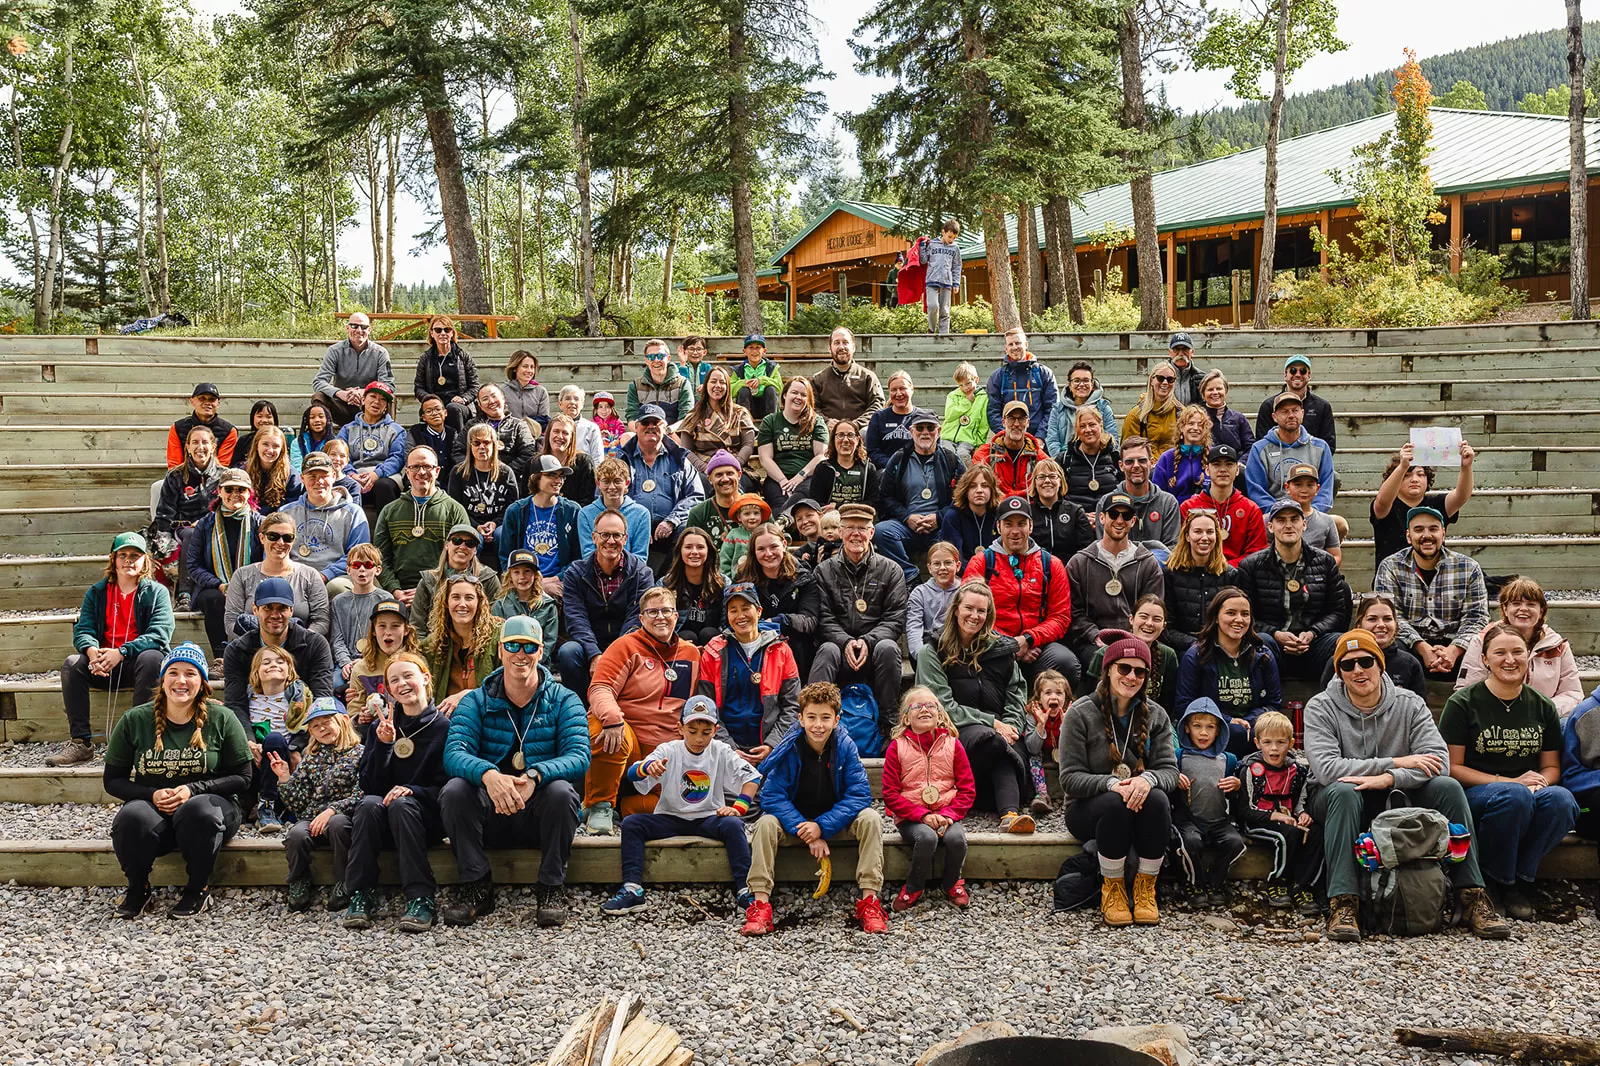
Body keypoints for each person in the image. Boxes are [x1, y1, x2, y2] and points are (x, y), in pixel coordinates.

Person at [1305, 628, 1509, 942]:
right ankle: (1344, 903)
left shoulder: (1409, 703)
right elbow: (1328, 769)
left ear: (1380, 663)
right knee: (1345, 792)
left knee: (1448, 787)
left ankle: (1472, 895)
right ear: (1339, 672)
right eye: (1348, 665)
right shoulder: (1320, 707)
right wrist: (1397, 763)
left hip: (1398, 790)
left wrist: (1390, 779)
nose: (1358, 670)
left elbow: (1439, 759)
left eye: (1366, 661)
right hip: (1338, 796)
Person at [439, 616, 589, 928]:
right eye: (512, 646)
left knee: (562, 792)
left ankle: (550, 887)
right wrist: (488, 775)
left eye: (528, 647)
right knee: (454, 790)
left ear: (540, 652)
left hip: (537, 812)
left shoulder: (564, 700)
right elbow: (454, 754)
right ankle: (476, 884)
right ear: (500, 651)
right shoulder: (476, 701)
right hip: (490, 811)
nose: (520, 653)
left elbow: (578, 756)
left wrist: (536, 776)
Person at [1440, 622, 1578, 920]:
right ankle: (1493, 881)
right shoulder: (1463, 703)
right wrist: (1509, 782)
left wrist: (1538, 785)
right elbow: (1452, 768)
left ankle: (1521, 880)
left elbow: (1552, 767)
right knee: (1513, 796)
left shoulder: (1542, 706)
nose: (1510, 659)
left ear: (1528, 656)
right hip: (1477, 793)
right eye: (1499, 652)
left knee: (1562, 800)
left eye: (1517, 652)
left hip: (1525, 792)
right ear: (1485, 659)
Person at [104, 643, 252, 919]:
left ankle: (198, 888)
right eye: (173, 672)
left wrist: (193, 789)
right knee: (130, 817)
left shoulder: (222, 718)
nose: (181, 681)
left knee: (197, 810)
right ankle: (138, 887)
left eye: (190, 674)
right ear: (162, 679)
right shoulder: (135, 719)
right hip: (157, 811)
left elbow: (243, 778)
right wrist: (151, 795)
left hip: (211, 813)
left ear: (203, 683)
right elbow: (113, 780)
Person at [740, 682, 887, 935]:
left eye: (825, 718)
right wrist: (804, 829)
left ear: (837, 719)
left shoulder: (845, 747)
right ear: (800, 718)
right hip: (795, 823)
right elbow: (772, 796)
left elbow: (859, 794)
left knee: (871, 818)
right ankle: (760, 903)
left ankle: (870, 900)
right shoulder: (790, 749)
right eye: (811, 717)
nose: (818, 725)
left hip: (834, 822)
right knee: (764, 824)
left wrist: (821, 826)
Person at [1057, 632, 1177, 928]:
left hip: (1136, 803)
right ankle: (1113, 889)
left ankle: (1145, 887)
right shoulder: (1080, 714)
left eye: (1139, 671)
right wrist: (1111, 784)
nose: (1131, 676)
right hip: (1088, 809)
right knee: (1114, 802)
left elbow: (1170, 771)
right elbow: (1069, 778)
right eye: (1124, 668)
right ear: (1108, 669)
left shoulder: (1157, 715)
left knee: (1159, 798)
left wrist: (1147, 779)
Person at [603, 695, 762, 916]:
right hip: (671, 817)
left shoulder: (721, 750)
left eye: (706, 733)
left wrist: (739, 808)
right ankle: (632, 889)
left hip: (708, 816)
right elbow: (632, 772)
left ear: (715, 730)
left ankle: (745, 889)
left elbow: (752, 778)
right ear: (680, 728)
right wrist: (647, 768)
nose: (699, 738)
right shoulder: (669, 750)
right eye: (693, 731)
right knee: (632, 824)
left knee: (734, 825)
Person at [914, 580, 1037, 832]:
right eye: (969, 608)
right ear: (956, 609)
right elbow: (941, 706)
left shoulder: (1000, 649)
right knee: (991, 739)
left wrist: (1012, 724)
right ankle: (1007, 811)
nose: (975, 616)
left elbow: (1017, 691)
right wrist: (993, 723)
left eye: (982, 611)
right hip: (955, 729)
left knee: (1002, 744)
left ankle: (1010, 815)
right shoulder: (933, 651)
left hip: (1001, 734)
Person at [342, 652, 451, 933]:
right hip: (385, 816)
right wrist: (384, 746)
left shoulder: (444, 727)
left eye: (408, 676)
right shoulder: (382, 726)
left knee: (403, 805)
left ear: (425, 679)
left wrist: (412, 791)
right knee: (367, 805)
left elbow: (446, 786)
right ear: (388, 690)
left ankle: (420, 897)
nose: (402, 684)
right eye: (394, 680)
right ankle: (361, 892)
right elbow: (370, 785)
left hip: (424, 817)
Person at [49, 532, 174, 768]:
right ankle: (81, 743)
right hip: (103, 665)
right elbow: (83, 629)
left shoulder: (157, 592)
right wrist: (93, 652)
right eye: (123, 555)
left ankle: (141, 742)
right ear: (113, 559)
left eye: (135, 555)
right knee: (72, 663)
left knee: (153, 658)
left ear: (145, 560)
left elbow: (159, 634)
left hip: (137, 663)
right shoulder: (96, 592)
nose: (128, 560)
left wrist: (122, 652)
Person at [582, 586, 700, 834]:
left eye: (666, 611)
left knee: (679, 808)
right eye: (653, 612)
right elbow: (600, 688)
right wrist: (612, 718)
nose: (660, 617)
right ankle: (599, 804)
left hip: (667, 748)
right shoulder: (626, 646)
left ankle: (626, 806)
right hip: (631, 738)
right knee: (605, 728)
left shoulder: (691, 654)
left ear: (676, 616)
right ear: (642, 618)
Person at [963, 494, 1079, 686]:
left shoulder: (1051, 564)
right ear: (998, 527)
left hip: (1037, 646)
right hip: (992, 643)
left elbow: (1060, 617)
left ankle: (1051, 713)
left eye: (1021, 524)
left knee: (1065, 662)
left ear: (1031, 526)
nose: (1015, 531)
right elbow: (969, 613)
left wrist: (1028, 639)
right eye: (1008, 524)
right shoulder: (982, 563)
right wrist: (1009, 644)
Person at [810, 504, 908, 725]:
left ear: (871, 533)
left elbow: (894, 618)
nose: (856, 534)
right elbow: (823, 618)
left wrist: (867, 642)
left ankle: (888, 723)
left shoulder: (891, 570)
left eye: (862, 528)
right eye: (850, 527)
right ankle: (815, 719)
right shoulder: (824, 571)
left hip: (875, 653)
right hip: (838, 650)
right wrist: (845, 642)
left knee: (889, 648)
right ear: (841, 532)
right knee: (827, 649)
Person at [1235, 499, 1351, 680]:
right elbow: (1247, 616)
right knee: (1259, 642)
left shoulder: (1325, 562)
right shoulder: (1251, 566)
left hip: (1314, 642)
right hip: (1273, 644)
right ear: (1270, 527)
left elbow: (1337, 612)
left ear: (1304, 524)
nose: (1288, 525)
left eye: (1294, 519)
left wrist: (1313, 632)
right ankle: (1266, 702)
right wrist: (1276, 633)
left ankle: (1330, 703)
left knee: (1343, 643)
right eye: (1281, 520)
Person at [884, 687, 976, 911]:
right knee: (926, 838)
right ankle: (915, 885)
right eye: (917, 706)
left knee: (956, 840)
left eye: (930, 706)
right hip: (912, 817)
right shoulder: (897, 747)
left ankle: (952, 881)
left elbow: (967, 789)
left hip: (946, 814)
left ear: (940, 713)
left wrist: (948, 815)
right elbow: (889, 793)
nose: (924, 709)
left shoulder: (953, 744)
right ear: (906, 717)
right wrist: (922, 815)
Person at [1373, 505, 1489, 681]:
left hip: (1457, 647)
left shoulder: (1468, 567)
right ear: (1408, 536)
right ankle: (1403, 704)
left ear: (1443, 533)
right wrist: (1423, 647)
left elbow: (1477, 617)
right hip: (1411, 645)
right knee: (1387, 645)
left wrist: (1454, 649)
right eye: (1418, 530)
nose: (1426, 535)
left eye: (1433, 529)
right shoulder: (1390, 566)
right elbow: (1391, 617)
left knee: (1491, 645)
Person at [697, 582, 801, 766]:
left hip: (770, 749)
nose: (740, 616)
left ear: (759, 611)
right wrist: (728, 747)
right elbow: (706, 706)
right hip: (724, 750)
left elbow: (792, 706)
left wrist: (772, 745)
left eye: (746, 608)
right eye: (733, 610)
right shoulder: (713, 651)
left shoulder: (781, 650)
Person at [275, 697, 362, 912]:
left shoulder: (360, 754)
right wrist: (285, 778)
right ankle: (299, 880)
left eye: (326, 722)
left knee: (339, 825)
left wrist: (332, 810)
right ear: (311, 733)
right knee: (296, 835)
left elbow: (363, 792)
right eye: (315, 726)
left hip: (343, 815)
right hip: (312, 818)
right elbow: (298, 802)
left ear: (342, 721)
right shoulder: (310, 759)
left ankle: (344, 880)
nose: (322, 729)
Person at [557, 509, 656, 694]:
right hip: (588, 646)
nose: (611, 541)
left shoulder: (642, 574)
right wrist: (594, 654)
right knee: (568, 652)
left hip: (627, 646)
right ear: (594, 537)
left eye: (616, 535)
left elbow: (636, 620)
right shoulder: (575, 574)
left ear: (625, 539)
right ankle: (581, 707)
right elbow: (576, 618)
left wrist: (613, 657)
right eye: (604, 535)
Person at [1175, 587, 1282, 756]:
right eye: (1231, 613)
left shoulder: (1263, 655)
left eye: (1245, 614)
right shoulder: (1195, 655)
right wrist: (1227, 720)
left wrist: (1248, 721)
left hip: (1252, 727)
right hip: (1211, 728)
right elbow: (1184, 705)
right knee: (1237, 732)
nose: (1239, 619)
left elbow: (1273, 703)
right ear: (1216, 617)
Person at [1234, 710, 1321, 915]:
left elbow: (1299, 800)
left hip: (1287, 818)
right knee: (1287, 835)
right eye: (1268, 742)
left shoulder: (1297, 771)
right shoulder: (1251, 770)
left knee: (1315, 832)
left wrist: (1302, 814)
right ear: (1257, 743)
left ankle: (1303, 884)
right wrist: (1276, 816)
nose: (1274, 748)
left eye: (1281, 742)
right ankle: (1278, 881)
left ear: (1290, 744)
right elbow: (1245, 809)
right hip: (1257, 820)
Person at [1457, 578, 1582, 718]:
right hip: (1493, 720)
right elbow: (1466, 691)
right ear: (1505, 608)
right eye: (1516, 603)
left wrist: (1541, 709)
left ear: (1541, 611)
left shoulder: (1558, 645)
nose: (1523, 608)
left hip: (1543, 720)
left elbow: (1573, 693)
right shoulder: (1482, 641)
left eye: (1531, 604)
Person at [1066, 492, 1165, 666]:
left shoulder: (1148, 563)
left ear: (1133, 521)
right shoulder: (1079, 563)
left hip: (1139, 639)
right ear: (1102, 518)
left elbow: (1154, 609)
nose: (1119, 521)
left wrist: (1135, 639)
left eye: (1126, 516)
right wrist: (1095, 635)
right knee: (1104, 659)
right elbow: (1074, 612)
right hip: (1092, 641)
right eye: (1113, 514)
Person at [222, 579, 337, 727]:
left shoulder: (315, 644)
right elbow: (235, 703)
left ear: (291, 610)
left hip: (306, 728)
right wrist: (249, 742)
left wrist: (297, 746)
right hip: (253, 727)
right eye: (268, 608)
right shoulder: (237, 650)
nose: (275, 615)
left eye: (282, 608)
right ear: (255, 609)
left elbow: (321, 698)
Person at [372, 447, 471, 608]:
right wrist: (395, 590)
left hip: (442, 593)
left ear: (437, 471)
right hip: (399, 594)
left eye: (427, 467)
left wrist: (432, 589)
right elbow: (380, 558)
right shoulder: (390, 511)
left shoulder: (455, 510)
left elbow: (465, 558)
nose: (422, 472)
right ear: (407, 472)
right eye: (415, 467)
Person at [875, 410, 964, 583]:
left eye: (930, 428)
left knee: (956, 529)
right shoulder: (899, 459)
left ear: (938, 432)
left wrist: (938, 517)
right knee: (880, 531)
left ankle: (947, 580)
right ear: (911, 432)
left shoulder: (951, 459)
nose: (925, 432)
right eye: (920, 428)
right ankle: (910, 575)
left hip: (940, 528)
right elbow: (885, 496)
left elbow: (962, 498)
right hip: (907, 526)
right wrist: (907, 517)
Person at [1171, 698, 1244, 907]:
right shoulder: (1179, 756)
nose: (1203, 733)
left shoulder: (1228, 759)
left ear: (1219, 730)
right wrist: (1174, 778)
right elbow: (1166, 779)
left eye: (1210, 727)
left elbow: (1238, 791)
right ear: (1186, 727)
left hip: (1219, 820)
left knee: (1236, 844)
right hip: (1188, 820)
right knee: (1190, 843)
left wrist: (1237, 784)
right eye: (1197, 726)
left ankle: (1214, 881)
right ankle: (1193, 883)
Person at [219, 510, 330, 645]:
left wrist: (297, 639)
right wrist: (263, 640)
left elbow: (322, 621)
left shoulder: (310, 575)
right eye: (273, 536)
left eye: (287, 537)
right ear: (262, 538)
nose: (280, 542)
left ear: (294, 540)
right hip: (253, 649)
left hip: (298, 648)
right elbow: (231, 622)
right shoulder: (242, 575)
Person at [184, 469, 262, 656]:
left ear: (249, 493)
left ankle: (252, 654)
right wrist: (219, 585)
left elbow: (267, 560)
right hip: (215, 586)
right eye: (229, 490)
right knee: (213, 599)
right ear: (219, 491)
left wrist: (247, 585)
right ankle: (221, 656)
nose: (235, 494)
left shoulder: (260, 523)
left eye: (241, 490)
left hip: (253, 584)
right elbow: (193, 565)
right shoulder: (205, 524)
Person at [620, 403, 705, 570]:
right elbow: (609, 495)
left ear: (665, 428)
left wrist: (672, 521)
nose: (650, 427)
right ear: (636, 427)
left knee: (689, 531)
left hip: (671, 524)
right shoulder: (622, 459)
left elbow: (696, 496)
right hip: (632, 523)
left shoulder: (679, 459)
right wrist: (637, 520)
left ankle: (665, 581)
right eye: (645, 423)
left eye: (656, 423)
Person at [1370, 441, 1476, 567]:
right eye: (1407, 475)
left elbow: (1461, 496)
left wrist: (1466, 467)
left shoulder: (1437, 503)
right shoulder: (1388, 505)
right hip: (1393, 578)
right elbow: (1381, 502)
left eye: (1420, 474)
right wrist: (1402, 467)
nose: (1414, 479)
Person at [280, 452, 371, 598]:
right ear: (302, 479)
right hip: (293, 574)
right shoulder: (286, 513)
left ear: (334, 476)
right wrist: (294, 575)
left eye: (324, 476)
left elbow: (358, 554)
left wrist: (325, 575)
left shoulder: (353, 513)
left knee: (336, 588)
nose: (319, 482)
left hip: (337, 577)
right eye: (312, 477)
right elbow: (274, 550)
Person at [153, 423, 224, 608]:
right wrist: (163, 540)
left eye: (205, 442)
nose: (201, 447)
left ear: (213, 446)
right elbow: (164, 512)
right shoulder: (175, 476)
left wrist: (206, 521)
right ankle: (183, 593)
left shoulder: (225, 476)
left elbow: (229, 506)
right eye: (195, 442)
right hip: (183, 528)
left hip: (216, 525)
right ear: (188, 446)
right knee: (192, 534)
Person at [738, 523, 821, 676]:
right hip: (755, 638)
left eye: (773, 547)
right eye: (761, 549)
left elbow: (810, 620)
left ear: (784, 545)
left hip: (794, 642)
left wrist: (779, 622)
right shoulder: (743, 579)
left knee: (795, 642)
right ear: (754, 552)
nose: (768, 553)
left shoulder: (803, 576)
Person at [497, 455, 580, 598]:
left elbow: (577, 558)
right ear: (535, 478)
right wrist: (518, 579)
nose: (558, 480)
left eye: (561, 476)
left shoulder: (571, 511)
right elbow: (506, 555)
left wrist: (555, 579)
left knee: (550, 592)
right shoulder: (516, 511)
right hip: (522, 579)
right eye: (551, 475)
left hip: (557, 580)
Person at [1319, 592, 1426, 699]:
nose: (1381, 625)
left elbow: (1419, 707)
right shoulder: (1339, 661)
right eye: (1372, 619)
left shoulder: (1409, 663)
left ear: (1396, 624)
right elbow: (1325, 704)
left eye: (1387, 619)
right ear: (1359, 625)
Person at [421, 572, 500, 717]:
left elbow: (508, 684)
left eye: (469, 598)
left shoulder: (498, 636)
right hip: (446, 720)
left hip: (489, 718)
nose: (462, 604)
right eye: (456, 597)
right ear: (446, 602)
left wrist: (469, 695)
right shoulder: (431, 645)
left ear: (479, 602)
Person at [1163, 509, 1239, 654]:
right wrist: (1195, 644)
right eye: (1198, 531)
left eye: (1210, 532)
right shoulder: (1170, 573)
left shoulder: (1230, 574)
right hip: (1182, 648)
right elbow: (1168, 626)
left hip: (1220, 647)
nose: (1205, 537)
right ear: (1187, 536)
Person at [1244, 393, 1334, 513]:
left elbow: (1325, 491)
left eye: (1295, 410)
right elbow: (1257, 492)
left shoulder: (1321, 447)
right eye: (1284, 412)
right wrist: (1279, 512)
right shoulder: (1259, 449)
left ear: (1302, 413)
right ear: (1274, 417)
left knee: (1341, 525)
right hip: (1274, 514)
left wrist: (1311, 513)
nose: (1291, 415)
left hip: (1310, 512)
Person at [410, 526, 501, 645]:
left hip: (479, 646)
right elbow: (416, 627)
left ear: (475, 550)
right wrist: (427, 654)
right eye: (457, 540)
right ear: (447, 545)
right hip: (436, 647)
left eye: (470, 543)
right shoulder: (429, 580)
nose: (462, 547)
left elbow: (497, 622)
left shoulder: (488, 578)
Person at [446, 423, 522, 566]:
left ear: (494, 445)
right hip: (469, 522)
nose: (481, 447)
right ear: (470, 446)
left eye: (486, 442)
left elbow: (512, 507)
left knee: (501, 534)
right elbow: (456, 507)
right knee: (472, 537)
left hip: (499, 524)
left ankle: (507, 577)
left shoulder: (506, 472)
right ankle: (469, 578)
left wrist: (495, 523)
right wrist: (476, 526)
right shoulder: (458, 472)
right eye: (476, 443)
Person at [1179, 445, 1265, 567]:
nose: (1223, 469)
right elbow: (1181, 549)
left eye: (1229, 464)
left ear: (1237, 470)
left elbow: (1256, 553)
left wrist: (1225, 568)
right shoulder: (1188, 508)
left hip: (1237, 576)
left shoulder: (1251, 509)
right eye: (1216, 464)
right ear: (1207, 470)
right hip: (1197, 573)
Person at [756, 379, 827, 516]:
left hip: (808, 477)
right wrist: (783, 481)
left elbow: (821, 455)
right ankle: (783, 530)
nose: (798, 397)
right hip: (777, 478)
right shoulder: (770, 421)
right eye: (794, 392)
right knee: (778, 502)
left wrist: (800, 476)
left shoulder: (816, 421)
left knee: (801, 498)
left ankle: (779, 525)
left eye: (803, 395)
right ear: (784, 395)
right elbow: (765, 458)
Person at [1103, 435, 1179, 559]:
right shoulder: (1106, 503)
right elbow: (1106, 550)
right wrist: (1154, 548)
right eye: (1129, 461)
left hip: (1159, 573)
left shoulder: (1168, 503)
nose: (1136, 466)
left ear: (1152, 462)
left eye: (1142, 460)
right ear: (1121, 466)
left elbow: (1171, 551)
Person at [676, 367, 758, 478]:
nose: (718, 386)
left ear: (727, 387)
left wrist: (734, 465)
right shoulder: (693, 416)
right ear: (706, 385)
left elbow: (748, 445)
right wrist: (705, 468)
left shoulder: (740, 413)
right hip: (704, 470)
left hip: (735, 467)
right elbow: (686, 451)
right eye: (713, 381)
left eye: (722, 382)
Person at [313, 314, 394, 427]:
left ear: (369, 330)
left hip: (370, 405)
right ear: (347, 328)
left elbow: (388, 385)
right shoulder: (334, 351)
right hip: (341, 405)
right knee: (318, 397)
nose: (359, 330)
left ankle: (387, 433)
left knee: (389, 397)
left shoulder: (381, 353)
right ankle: (325, 437)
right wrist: (340, 393)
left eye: (363, 327)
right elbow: (319, 381)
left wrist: (363, 392)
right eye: (354, 326)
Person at [342, 599, 422, 710]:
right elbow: (353, 713)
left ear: (406, 630)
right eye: (382, 626)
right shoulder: (361, 669)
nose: (388, 632)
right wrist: (360, 719)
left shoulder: (419, 663)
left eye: (395, 626)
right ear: (374, 630)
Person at [330, 543, 395, 677]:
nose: (362, 569)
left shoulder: (386, 598)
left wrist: (367, 661)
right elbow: (337, 639)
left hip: (377, 660)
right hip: (346, 662)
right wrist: (345, 663)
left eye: (368, 565)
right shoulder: (339, 601)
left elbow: (388, 636)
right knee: (333, 684)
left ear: (377, 570)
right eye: (356, 565)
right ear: (348, 570)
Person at [456, 383, 538, 483]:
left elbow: (528, 453)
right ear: (480, 406)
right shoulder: (472, 425)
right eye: (485, 399)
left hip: (509, 480)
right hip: (476, 480)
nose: (491, 401)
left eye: (494, 396)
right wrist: (476, 470)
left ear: (503, 398)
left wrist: (505, 472)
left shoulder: (519, 425)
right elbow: (458, 452)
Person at [1253, 355, 1335, 452]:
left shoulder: (1322, 406)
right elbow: (1262, 443)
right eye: (1292, 370)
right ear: (1285, 375)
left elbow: (1329, 445)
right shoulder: (1269, 406)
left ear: (1309, 375)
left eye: (1303, 371)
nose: (1297, 374)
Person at [412, 316, 480, 433]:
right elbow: (418, 388)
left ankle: (457, 446)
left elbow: (474, 386)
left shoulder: (463, 357)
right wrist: (430, 400)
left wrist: (463, 399)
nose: (442, 333)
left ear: (452, 333)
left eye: (447, 330)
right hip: (435, 402)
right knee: (433, 411)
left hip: (459, 405)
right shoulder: (425, 359)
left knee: (452, 409)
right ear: (432, 333)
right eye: (438, 330)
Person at [985, 326, 1056, 438]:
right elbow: (993, 412)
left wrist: (1040, 437)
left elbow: (1052, 409)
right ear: (1006, 348)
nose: (1015, 347)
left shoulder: (1044, 373)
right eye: (1011, 344)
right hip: (1008, 439)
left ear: (1026, 345)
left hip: (1040, 440)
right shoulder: (997, 377)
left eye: (1018, 343)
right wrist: (1008, 436)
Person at [808, 327, 885, 429]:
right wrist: (826, 422)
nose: (841, 347)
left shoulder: (868, 377)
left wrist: (856, 424)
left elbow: (877, 404)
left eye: (845, 342)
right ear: (829, 348)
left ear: (853, 347)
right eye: (836, 343)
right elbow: (811, 408)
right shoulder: (817, 379)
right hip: (828, 432)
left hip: (860, 431)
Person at [579, 456, 652, 560]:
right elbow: (588, 555)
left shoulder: (641, 514)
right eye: (606, 481)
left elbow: (640, 557)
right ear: (598, 483)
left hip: (630, 572)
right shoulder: (585, 514)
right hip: (595, 572)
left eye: (617, 481)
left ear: (627, 483)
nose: (612, 487)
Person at [662, 526, 726, 645]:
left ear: (709, 551)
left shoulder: (723, 583)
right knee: (686, 635)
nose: (695, 552)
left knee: (709, 633)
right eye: (688, 547)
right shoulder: (666, 584)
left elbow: (726, 623)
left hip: (714, 646)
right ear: (680, 551)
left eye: (700, 547)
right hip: (679, 645)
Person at [972, 399, 1047, 499]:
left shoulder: (1038, 456)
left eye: (1021, 419)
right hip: (996, 507)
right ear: (1003, 422)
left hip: (1029, 508)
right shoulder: (985, 454)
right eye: (1011, 418)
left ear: (1028, 422)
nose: (1016, 424)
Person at [1026, 457, 1095, 561]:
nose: (1047, 481)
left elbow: (1086, 549)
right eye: (1041, 477)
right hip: (1034, 571)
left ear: (1060, 481)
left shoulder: (1075, 512)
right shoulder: (1027, 512)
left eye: (1052, 476)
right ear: (1035, 483)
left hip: (1069, 571)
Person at [1023, 670, 1071, 816]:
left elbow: (1071, 747)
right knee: (1034, 757)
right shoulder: (1033, 715)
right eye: (1048, 693)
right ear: (1039, 698)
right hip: (1040, 752)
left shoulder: (1071, 712)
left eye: (1059, 693)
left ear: (1066, 697)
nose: (1053, 697)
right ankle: (1042, 795)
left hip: (1062, 752)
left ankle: (1072, 793)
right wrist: (1041, 725)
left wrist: (1066, 724)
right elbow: (1032, 748)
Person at [1046, 360, 1118, 457]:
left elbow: (1112, 439)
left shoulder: (1104, 408)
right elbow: (1052, 441)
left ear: (1092, 384)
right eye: (1076, 380)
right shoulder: (1058, 409)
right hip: (1066, 460)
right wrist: (1061, 461)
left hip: (1097, 460)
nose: (1081, 384)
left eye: (1086, 380)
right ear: (1070, 385)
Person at [809, 418, 879, 513]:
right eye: (840, 435)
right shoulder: (823, 468)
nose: (845, 440)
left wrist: (838, 506)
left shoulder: (868, 469)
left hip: (858, 518)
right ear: (833, 439)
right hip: (829, 519)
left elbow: (873, 503)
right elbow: (815, 502)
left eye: (850, 435)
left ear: (858, 440)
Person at [907, 541, 961, 661]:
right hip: (928, 647)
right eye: (937, 564)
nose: (942, 568)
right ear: (929, 568)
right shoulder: (919, 593)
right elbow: (914, 627)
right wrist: (921, 656)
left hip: (957, 647)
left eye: (948, 563)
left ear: (957, 566)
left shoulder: (965, 591)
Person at [938, 464, 1001, 566]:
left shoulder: (1000, 515)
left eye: (985, 486)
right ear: (965, 491)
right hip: (963, 574)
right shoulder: (952, 517)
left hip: (996, 574)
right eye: (973, 486)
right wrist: (973, 575)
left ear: (992, 490)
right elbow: (954, 557)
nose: (979, 490)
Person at [625, 338, 695, 429]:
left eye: (661, 356)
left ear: (668, 358)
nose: (656, 360)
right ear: (646, 360)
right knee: (626, 437)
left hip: (674, 433)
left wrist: (666, 431)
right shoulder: (635, 385)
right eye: (651, 357)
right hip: (645, 432)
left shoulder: (682, 383)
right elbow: (631, 418)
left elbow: (686, 417)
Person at [492, 549, 560, 641]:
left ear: (535, 575)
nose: (522, 577)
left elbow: (550, 640)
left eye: (527, 571)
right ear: (510, 576)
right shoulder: (501, 605)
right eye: (516, 572)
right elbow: (496, 639)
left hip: (539, 654)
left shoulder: (548, 605)